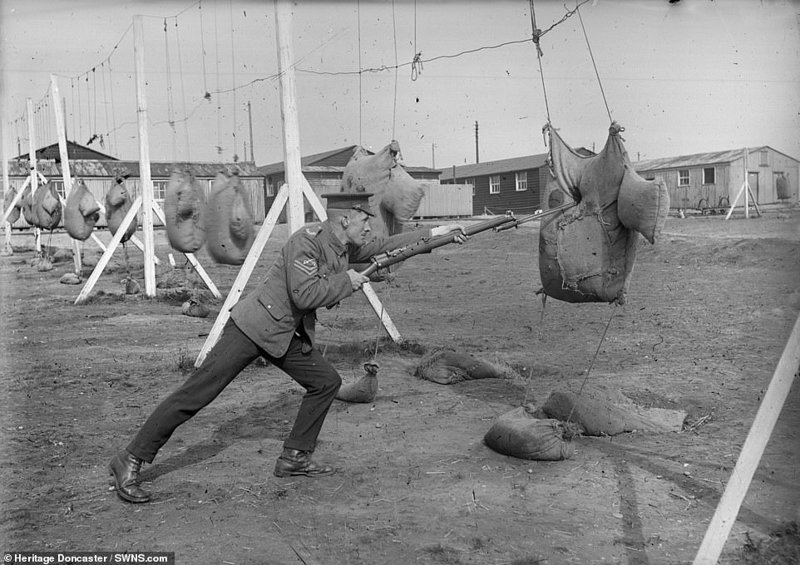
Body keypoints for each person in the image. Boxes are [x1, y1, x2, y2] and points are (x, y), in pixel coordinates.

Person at [108, 192, 466, 503]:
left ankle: (295, 457)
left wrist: (439, 234)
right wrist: (348, 281)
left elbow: (388, 247)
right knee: (195, 395)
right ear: (345, 219)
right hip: (253, 328)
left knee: (325, 382)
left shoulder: (343, 246)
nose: (370, 228)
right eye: (365, 221)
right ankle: (131, 458)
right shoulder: (306, 242)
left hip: (283, 334)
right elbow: (304, 294)